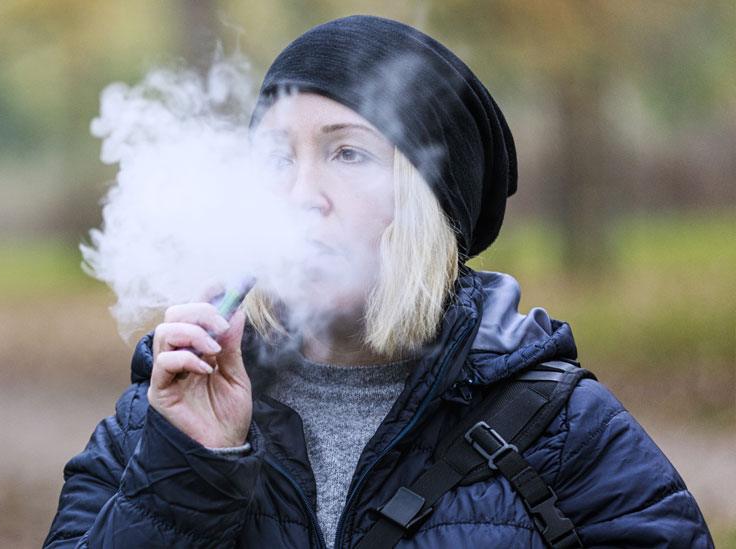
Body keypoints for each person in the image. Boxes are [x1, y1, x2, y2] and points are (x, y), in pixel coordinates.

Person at [43, 15, 713, 548]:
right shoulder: (157, 424)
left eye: (348, 152)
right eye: (277, 156)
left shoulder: (557, 431)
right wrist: (185, 471)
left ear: (428, 204)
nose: (302, 194)